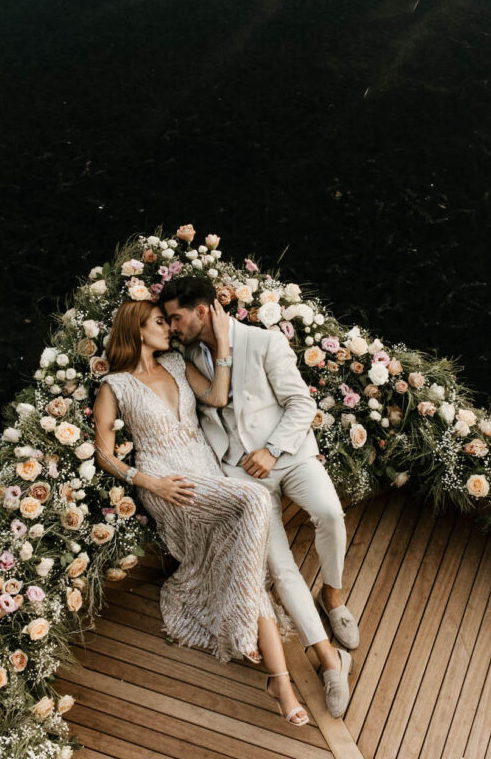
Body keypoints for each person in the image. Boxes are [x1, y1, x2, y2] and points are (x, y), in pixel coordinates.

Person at [92, 298, 312, 727]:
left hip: (205, 468)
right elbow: (103, 453)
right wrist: (148, 482)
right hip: (167, 483)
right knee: (254, 499)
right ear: (137, 329)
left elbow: (217, 394)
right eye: (159, 322)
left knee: (238, 559)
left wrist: (224, 345)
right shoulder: (115, 386)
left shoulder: (175, 364)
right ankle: (253, 635)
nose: (168, 329)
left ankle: (279, 681)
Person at [161, 275, 356, 718]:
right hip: (239, 474)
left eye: (177, 317)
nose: (172, 326)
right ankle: (330, 661)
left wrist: (272, 451)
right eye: (168, 319)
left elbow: (302, 406)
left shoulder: (264, 342)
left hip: (290, 455)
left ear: (203, 310)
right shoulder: (185, 356)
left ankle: (334, 597)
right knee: (279, 566)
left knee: (328, 512)